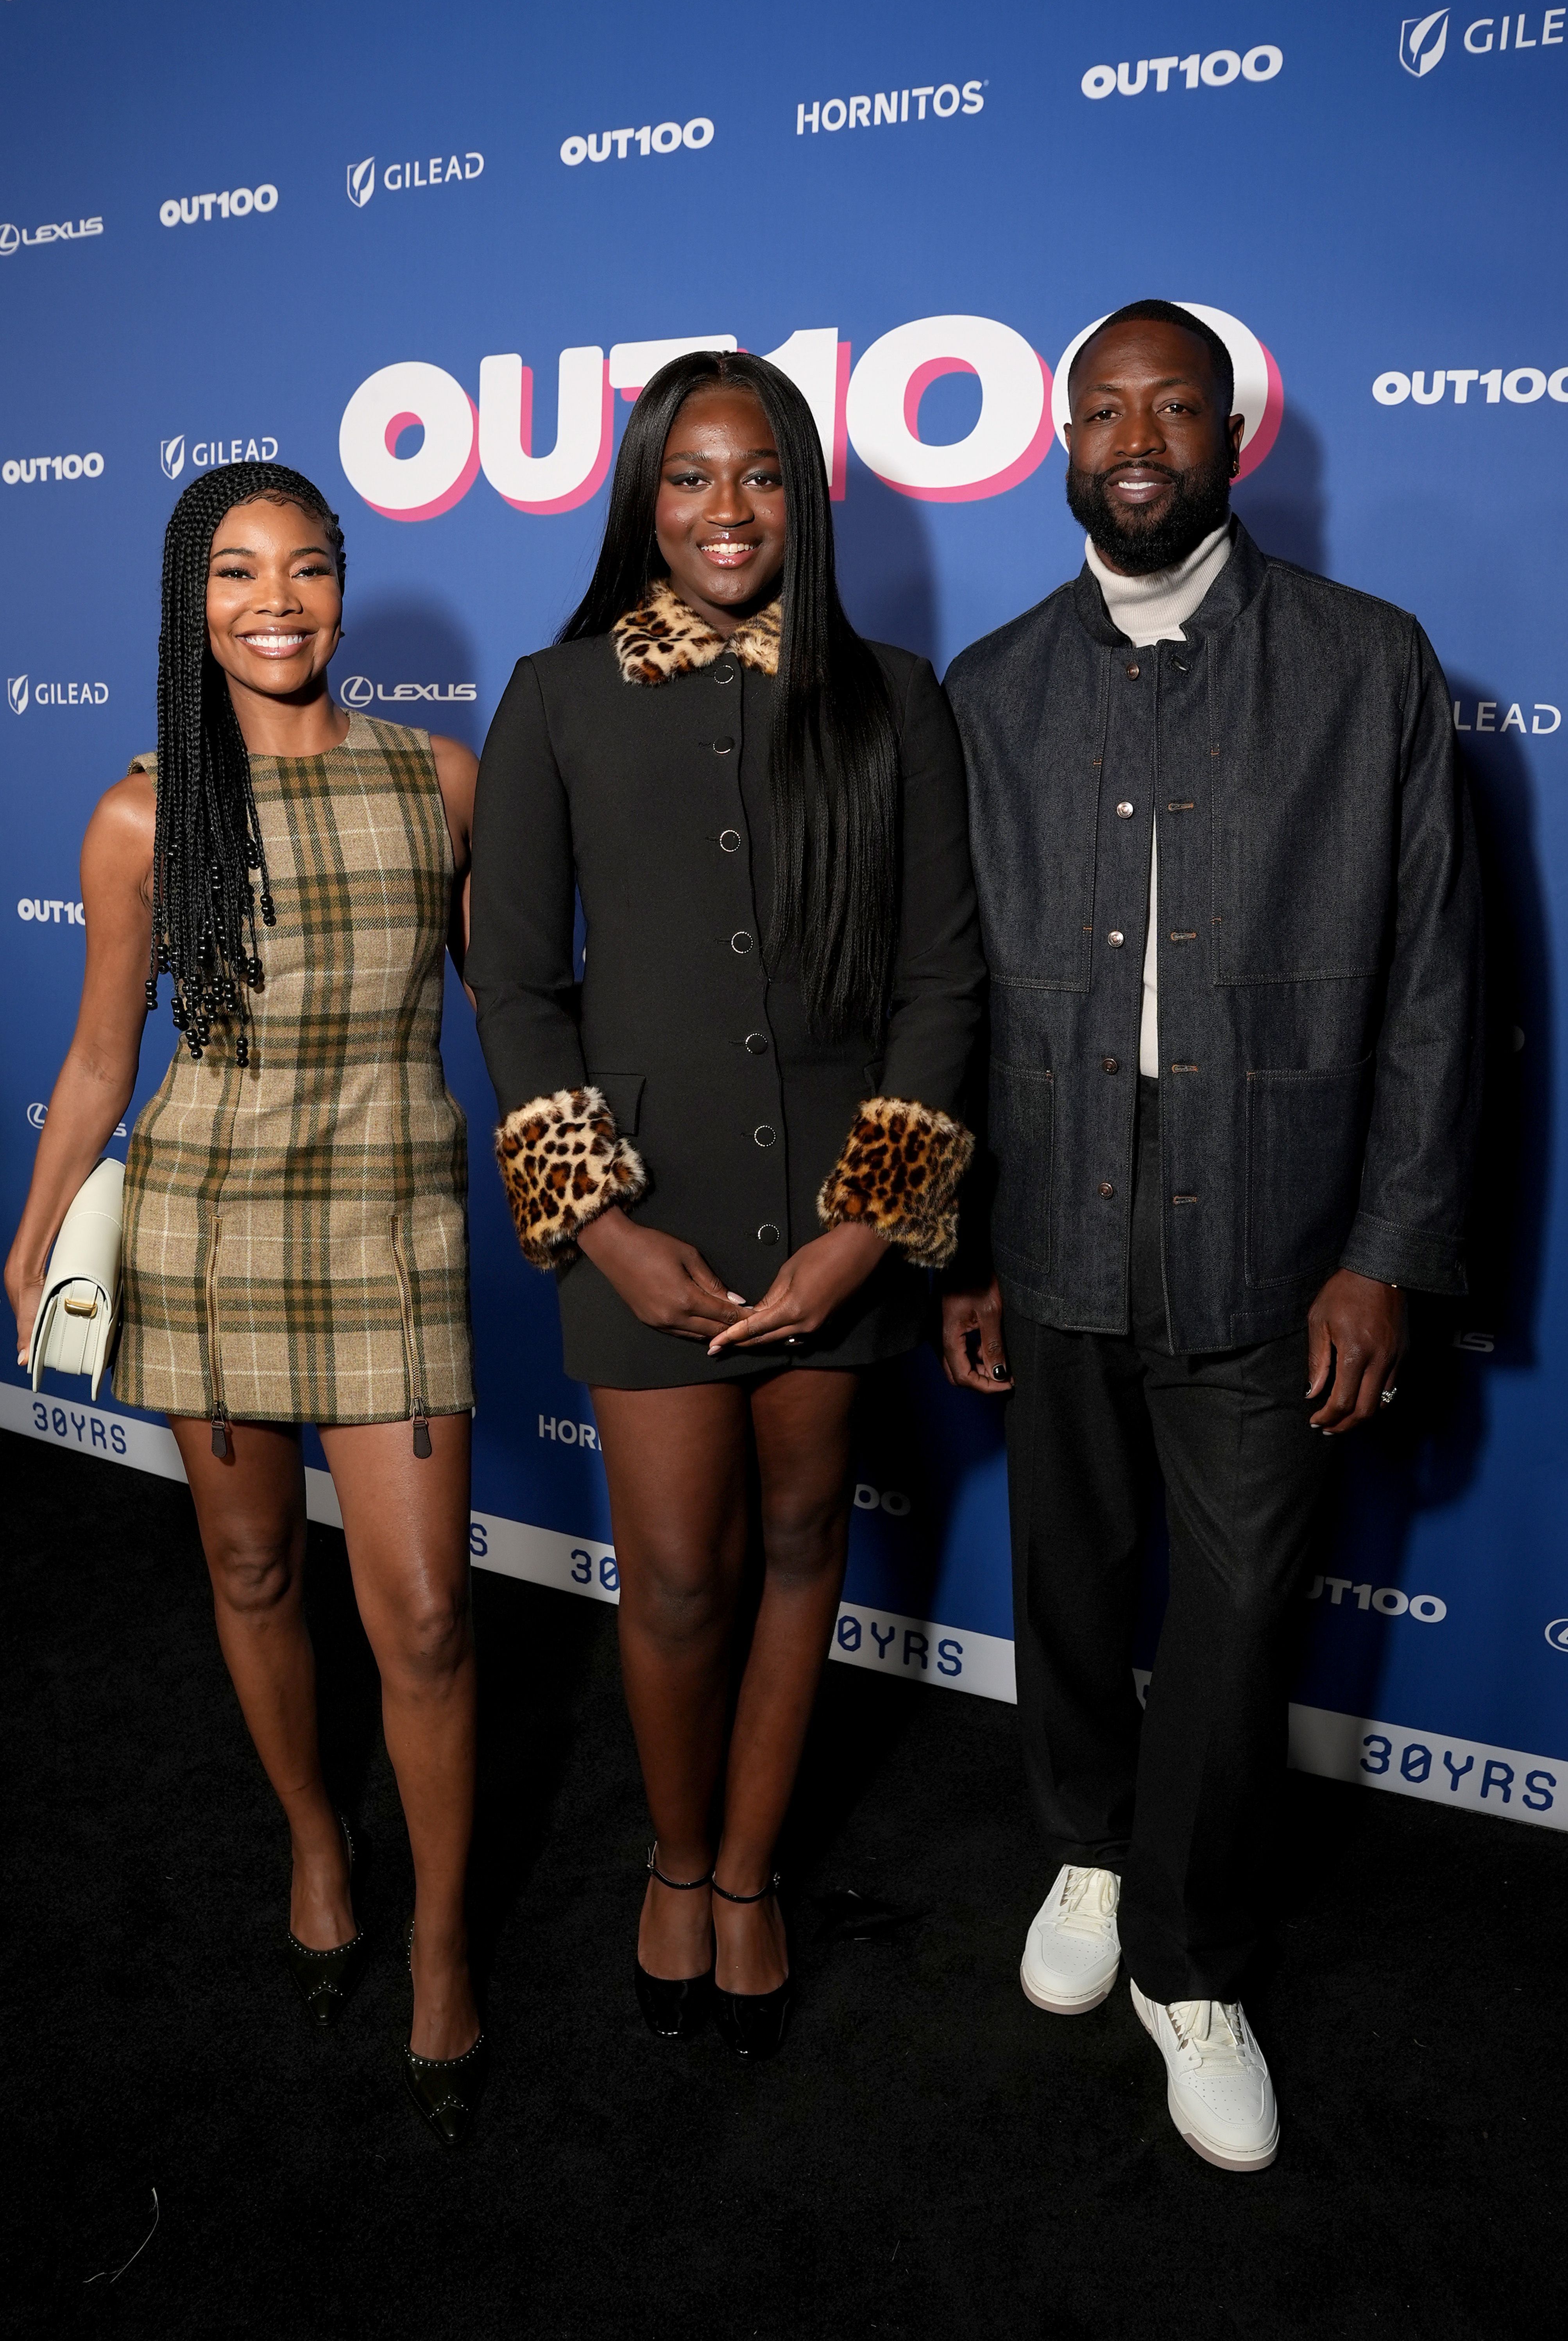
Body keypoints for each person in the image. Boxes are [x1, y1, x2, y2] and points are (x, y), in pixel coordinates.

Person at [942, 300, 1481, 2171]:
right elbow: (951, 1006)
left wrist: (1386, 1252)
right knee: (1073, 1579)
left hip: (1277, 1234)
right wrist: (963, 1246)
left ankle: (1193, 1958)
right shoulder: (989, 690)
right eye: (1107, 408)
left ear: (1234, 433)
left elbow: (1433, 987)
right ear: (1061, 443)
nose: (1140, 434)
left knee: (1242, 1616)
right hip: (1052, 1201)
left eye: (1176, 403)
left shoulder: (1368, 667)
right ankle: (1088, 1853)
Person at [468, 351, 983, 2058]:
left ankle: (750, 1878)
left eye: (758, 475)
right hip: (645, 1218)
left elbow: (938, 982)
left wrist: (871, 1223)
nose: (725, 511)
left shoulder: (893, 694)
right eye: (689, 478)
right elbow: (519, 991)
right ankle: (678, 1860)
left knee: (796, 1551)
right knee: (676, 1576)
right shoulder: (554, 697)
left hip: (840, 1218)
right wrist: (599, 1222)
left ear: (803, 497)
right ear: (640, 494)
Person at [6, 463, 486, 2146]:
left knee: (424, 1614)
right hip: (212, 1222)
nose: (274, 601)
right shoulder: (144, 814)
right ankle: (311, 1839)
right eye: (234, 573)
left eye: (306, 569)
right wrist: (38, 1220)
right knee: (252, 1561)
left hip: (394, 1223)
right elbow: (95, 1057)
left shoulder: (439, 780)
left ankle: (440, 1940)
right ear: (187, 603)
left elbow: (538, 1009)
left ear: (344, 590)